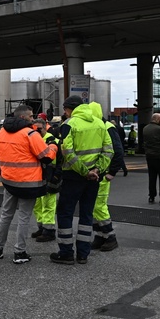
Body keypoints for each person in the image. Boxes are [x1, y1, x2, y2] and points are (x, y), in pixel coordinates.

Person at [0, 104, 58, 264]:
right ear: (22, 117)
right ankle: (19, 252)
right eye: (31, 116)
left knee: (5, 215)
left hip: (9, 182)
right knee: (24, 218)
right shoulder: (30, 134)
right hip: (29, 184)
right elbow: (47, 157)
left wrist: (2, 173)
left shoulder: (0, 133)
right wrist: (54, 146)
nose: (33, 118)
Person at [51, 95, 113, 265]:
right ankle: (83, 254)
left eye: (65, 109)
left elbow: (67, 152)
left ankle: (66, 253)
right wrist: (96, 170)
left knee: (65, 213)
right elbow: (109, 151)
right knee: (87, 214)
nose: (64, 113)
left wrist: (84, 171)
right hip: (94, 177)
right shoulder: (100, 123)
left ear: (69, 109)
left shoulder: (69, 125)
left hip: (73, 176)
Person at [91, 105, 125, 252]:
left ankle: (110, 237)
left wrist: (112, 172)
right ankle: (101, 236)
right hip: (98, 173)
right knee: (94, 207)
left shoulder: (107, 127)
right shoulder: (102, 126)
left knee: (99, 206)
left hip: (103, 173)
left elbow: (118, 151)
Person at [31, 117, 60, 242]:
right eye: (35, 129)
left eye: (39, 129)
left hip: (50, 176)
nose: (37, 131)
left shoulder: (52, 140)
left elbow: (60, 162)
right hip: (38, 176)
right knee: (38, 204)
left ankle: (49, 231)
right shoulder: (34, 139)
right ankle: (42, 227)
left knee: (48, 204)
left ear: (45, 127)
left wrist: (56, 177)